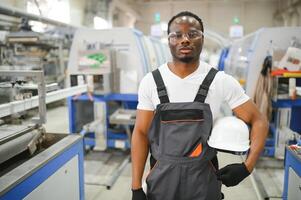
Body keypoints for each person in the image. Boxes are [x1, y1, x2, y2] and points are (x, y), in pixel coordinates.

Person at [131, 11, 268, 200]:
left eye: (193, 34)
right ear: (168, 40)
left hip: (204, 180)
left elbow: (259, 120)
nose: (185, 40)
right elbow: (140, 133)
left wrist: (247, 167)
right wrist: (136, 187)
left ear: (203, 39)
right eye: (177, 35)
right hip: (162, 179)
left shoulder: (220, 81)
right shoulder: (152, 81)